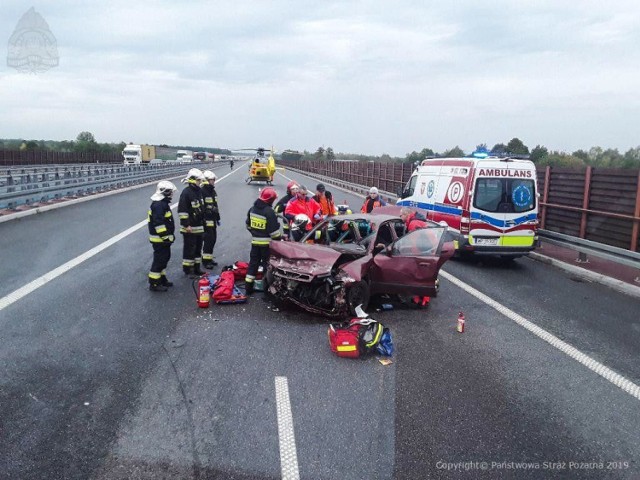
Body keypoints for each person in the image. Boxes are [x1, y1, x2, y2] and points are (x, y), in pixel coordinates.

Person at [245, 187, 281, 294]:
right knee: (267, 266)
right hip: (266, 245)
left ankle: (248, 287)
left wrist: (255, 234)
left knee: (253, 264)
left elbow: (248, 225)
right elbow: (274, 233)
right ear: (270, 200)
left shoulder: (252, 209)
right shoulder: (269, 212)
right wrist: (279, 241)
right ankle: (266, 288)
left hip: (255, 243)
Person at [147, 181, 177, 292]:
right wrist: (165, 237)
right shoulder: (159, 205)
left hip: (162, 239)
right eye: (170, 192)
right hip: (159, 239)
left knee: (164, 258)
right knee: (159, 260)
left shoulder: (162, 204)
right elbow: (159, 224)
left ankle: (162, 278)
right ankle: (154, 283)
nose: (172, 194)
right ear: (165, 192)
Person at [178, 168, 206, 276]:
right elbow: (182, 210)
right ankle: (188, 269)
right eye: (199, 180)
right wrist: (186, 224)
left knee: (198, 248)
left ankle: (196, 268)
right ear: (193, 180)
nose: (200, 182)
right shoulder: (186, 193)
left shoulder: (198, 192)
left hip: (199, 226)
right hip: (190, 227)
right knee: (190, 249)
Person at [201, 170, 221, 268]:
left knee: (213, 239)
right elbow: (200, 207)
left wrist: (218, 217)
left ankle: (209, 258)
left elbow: (215, 205)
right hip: (206, 220)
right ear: (206, 180)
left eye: (213, 180)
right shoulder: (202, 191)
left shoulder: (212, 191)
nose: (213, 181)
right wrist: (208, 209)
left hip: (212, 219)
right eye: (212, 180)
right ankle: (205, 261)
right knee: (208, 240)